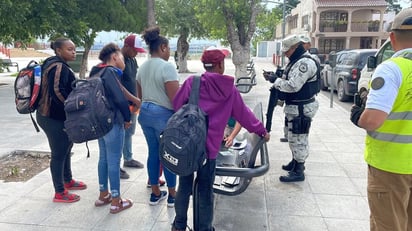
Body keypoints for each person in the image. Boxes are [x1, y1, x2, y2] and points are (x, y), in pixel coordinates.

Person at [171, 47, 270, 231]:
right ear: (220, 65)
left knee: (184, 186)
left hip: (188, 147)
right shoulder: (230, 90)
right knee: (205, 190)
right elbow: (245, 116)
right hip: (209, 151)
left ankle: (179, 225)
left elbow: (177, 106)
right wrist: (262, 131)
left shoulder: (192, 82)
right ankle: (205, 227)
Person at [350, 8, 412, 230]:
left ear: (392, 37)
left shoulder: (392, 69)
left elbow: (373, 120)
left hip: (391, 166)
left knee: (389, 225)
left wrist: (358, 115)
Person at [263, 34, 320, 182]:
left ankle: (299, 170)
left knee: (299, 138)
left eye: (287, 50)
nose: (285, 53)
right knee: (292, 136)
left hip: (301, 108)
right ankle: (295, 162)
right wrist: (275, 77)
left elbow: (293, 85)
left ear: (296, 47)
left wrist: (275, 81)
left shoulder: (304, 63)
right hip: (295, 106)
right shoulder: (295, 61)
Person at [36, 37, 86, 203]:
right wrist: (71, 107)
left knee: (66, 146)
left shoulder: (58, 64)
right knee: (58, 153)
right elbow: (57, 91)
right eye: (69, 49)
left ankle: (68, 179)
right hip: (51, 117)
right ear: (58, 50)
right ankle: (59, 192)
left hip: (56, 116)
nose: (73, 52)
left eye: (74, 49)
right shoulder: (57, 66)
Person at [91, 43, 135, 214]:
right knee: (114, 160)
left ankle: (104, 195)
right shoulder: (110, 72)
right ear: (115, 57)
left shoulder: (96, 71)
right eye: (122, 57)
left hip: (99, 123)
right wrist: (127, 117)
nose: (123, 61)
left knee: (103, 158)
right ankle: (116, 201)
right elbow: (119, 98)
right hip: (112, 122)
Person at [137, 26, 178, 207]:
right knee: (168, 155)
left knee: (153, 152)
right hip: (163, 116)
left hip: (145, 115)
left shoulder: (142, 67)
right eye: (168, 48)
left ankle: (155, 193)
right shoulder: (167, 67)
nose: (169, 52)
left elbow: (140, 97)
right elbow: (175, 99)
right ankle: (172, 195)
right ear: (162, 47)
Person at [118, 34, 145, 179]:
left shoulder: (132, 60)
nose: (136, 53)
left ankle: (128, 158)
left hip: (133, 104)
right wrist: (132, 100)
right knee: (119, 134)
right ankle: (115, 165)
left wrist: (137, 100)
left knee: (129, 133)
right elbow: (117, 86)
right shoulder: (118, 61)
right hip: (122, 105)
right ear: (126, 46)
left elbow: (134, 80)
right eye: (134, 50)